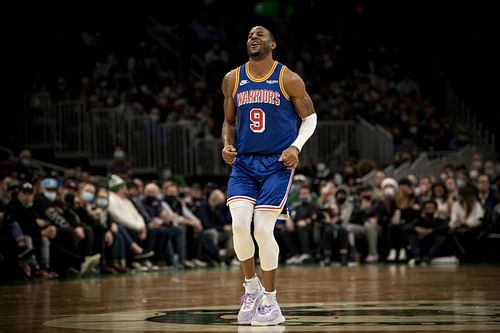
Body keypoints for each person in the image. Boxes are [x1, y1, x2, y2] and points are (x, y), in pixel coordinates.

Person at [221, 26, 316, 326]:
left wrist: (296, 146)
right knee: (238, 225)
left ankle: (271, 302)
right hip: (245, 165)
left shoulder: (288, 78)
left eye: (260, 34)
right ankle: (251, 289)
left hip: (276, 164)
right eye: (249, 34)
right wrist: (226, 144)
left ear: (272, 44)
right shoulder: (232, 79)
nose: (253, 37)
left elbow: (310, 118)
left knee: (262, 230)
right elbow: (228, 122)